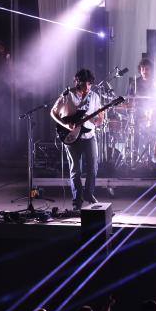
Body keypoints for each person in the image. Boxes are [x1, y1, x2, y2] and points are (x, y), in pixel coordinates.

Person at [52, 68, 103, 210]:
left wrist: (99, 120)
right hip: (71, 136)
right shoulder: (67, 96)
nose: (87, 88)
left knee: (93, 167)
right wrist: (65, 124)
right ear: (77, 82)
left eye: (90, 84)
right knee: (76, 170)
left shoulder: (95, 97)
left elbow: (100, 116)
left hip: (89, 135)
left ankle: (89, 194)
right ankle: (77, 202)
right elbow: (53, 112)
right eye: (84, 84)